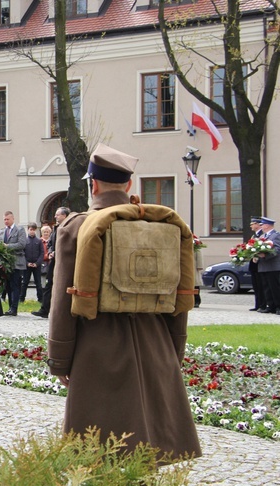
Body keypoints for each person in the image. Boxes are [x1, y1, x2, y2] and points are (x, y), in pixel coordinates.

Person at [47, 143, 201, 461]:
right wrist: (174, 351)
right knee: (148, 444)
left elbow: (62, 302)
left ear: (93, 184)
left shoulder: (75, 227)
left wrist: (60, 359)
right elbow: (179, 299)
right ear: (129, 185)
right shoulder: (159, 225)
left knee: (96, 447)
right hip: (155, 341)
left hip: (96, 345)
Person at [32, 207, 69, 319]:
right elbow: (51, 243)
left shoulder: (68, 227)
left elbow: (67, 244)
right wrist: (52, 251)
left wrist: (57, 252)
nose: (55, 216)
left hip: (64, 263)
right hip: (53, 262)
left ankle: (62, 311)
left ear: (64, 216)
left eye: (58, 215)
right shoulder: (56, 228)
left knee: (62, 286)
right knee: (49, 285)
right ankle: (44, 309)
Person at [0, 211, 27, 316]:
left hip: (16, 261)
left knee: (15, 285)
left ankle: (14, 308)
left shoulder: (19, 230)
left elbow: (22, 244)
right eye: (4, 219)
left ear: (12, 219)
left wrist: (7, 246)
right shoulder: (2, 231)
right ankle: (10, 308)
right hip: (5, 263)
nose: (6, 221)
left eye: (8, 219)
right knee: (8, 286)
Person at [255, 217, 280, 315]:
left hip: (273, 266)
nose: (261, 226)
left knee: (275, 287)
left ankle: (278, 306)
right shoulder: (263, 236)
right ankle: (270, 306)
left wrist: (266, 255)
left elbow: (277, 250)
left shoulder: (276, 236)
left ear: (267, 225)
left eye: (262, 224)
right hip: (263, 266)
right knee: (266, 287)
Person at [20, 223, 44, 303]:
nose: (32, 231)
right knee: (25, 283)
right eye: (31, 230)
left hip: (37, 265)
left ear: (36, 230)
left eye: (33, 230)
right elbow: (22, 254)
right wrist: (27, 263)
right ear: (28, 230)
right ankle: (21, 298)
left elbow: (42, 253)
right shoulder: (25, 241)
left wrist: (37, 263)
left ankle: (40, 299)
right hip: (27, 265)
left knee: (38, 283)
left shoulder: (39, 241)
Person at [248, 216, 266, 311]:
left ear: (258, 224)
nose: (251, 225)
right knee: (256, 285)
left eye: (252, 224)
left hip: (260, 264)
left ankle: (263, 305)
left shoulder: (262, 235)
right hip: (254, 264)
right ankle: (258, 304)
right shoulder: (254, 236)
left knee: (261, 285)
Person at [193, 234, 204, 308]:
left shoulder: (195, 242)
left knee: (195, 284)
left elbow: (199, 255)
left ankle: (197, 301)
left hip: (193, 267)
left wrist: (199, 266)